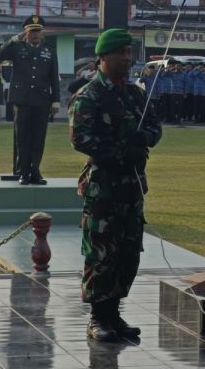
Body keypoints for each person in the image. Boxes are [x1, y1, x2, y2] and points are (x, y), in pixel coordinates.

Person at [70, 28, 162, 342]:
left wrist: (144, 139)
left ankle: (114, 313)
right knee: (101, 250)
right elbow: (80, 138)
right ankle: (98, 316)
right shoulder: (89, 94)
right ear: (103, 57)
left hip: (132, 186)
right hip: (103, 186)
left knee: (128, 249)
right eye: (120, 53)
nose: (126, 58)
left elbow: (154, 126)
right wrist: (121, 152)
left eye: (128, 52)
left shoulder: (135, 94)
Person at [0, 15, 61, 185]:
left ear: (42, 33)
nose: (35, 34)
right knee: (23, 138)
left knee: (39, 138)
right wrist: (14, 39)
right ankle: (23, 172)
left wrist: (56, 101)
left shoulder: (49, 50)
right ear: (25, 32)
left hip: (42, 100)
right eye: (32, 31)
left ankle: (35, 171)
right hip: (22, 100)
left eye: (38, 31)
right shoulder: (17, 48)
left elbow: (54, 76)